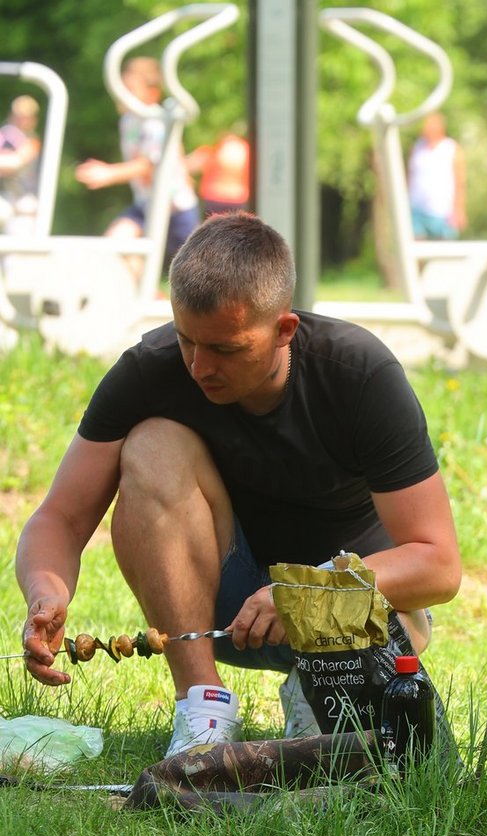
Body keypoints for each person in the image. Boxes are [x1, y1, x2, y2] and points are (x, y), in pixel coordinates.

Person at [17, 213, 462, 758]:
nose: (200, 367)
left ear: (283, 330)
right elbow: (59, 517)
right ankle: (202, 708)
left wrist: (307, 591)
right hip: (222, 609)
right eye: (186, 341)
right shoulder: (150, 370)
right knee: (152, 444)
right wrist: (47, 593)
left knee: (335, 749)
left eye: (225, 349)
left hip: (350, 616)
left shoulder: (359, 374)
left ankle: (314, 691)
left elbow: (439, 564)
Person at [75, 55, 199, 273]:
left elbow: (149, 164)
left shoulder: (155, 122)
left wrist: (110, 173)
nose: (122, 95)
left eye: (130, 89)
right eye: (121, 88)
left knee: (192, 271)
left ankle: (162, 298)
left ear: (151, 94)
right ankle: (145, 294)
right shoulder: (128, 120)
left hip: (174, 207)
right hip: (146, 204)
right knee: (117, 242)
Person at [406, 111, 466, 239]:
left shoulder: (451, 148)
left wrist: (459, 209)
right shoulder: (416, 147)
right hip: (417, 208)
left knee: (445, 253)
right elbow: (410, 177)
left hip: (443, 211)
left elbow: (460, 182)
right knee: (416, 249)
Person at [0, 95, 41, 236]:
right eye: (19, 115)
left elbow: (16, 162)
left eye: (27, 116)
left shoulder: (32, 141)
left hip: (24, 200)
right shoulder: (5, 134)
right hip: (5, 197)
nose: (23, 120)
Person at [187, 128, 251, 218]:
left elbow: (190, 165)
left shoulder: (214, 149)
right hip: (238, 198)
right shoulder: (246, 150)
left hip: (214, 197)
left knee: (213, 229)